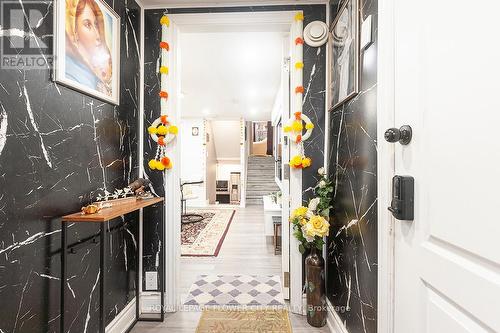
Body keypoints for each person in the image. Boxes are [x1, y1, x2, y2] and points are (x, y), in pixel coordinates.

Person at [65, 0, 112, 96]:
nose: (97, 34)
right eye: (87, 25)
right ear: (75, 32)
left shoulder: (100, 70)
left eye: (96, 24)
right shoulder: (70, 74)